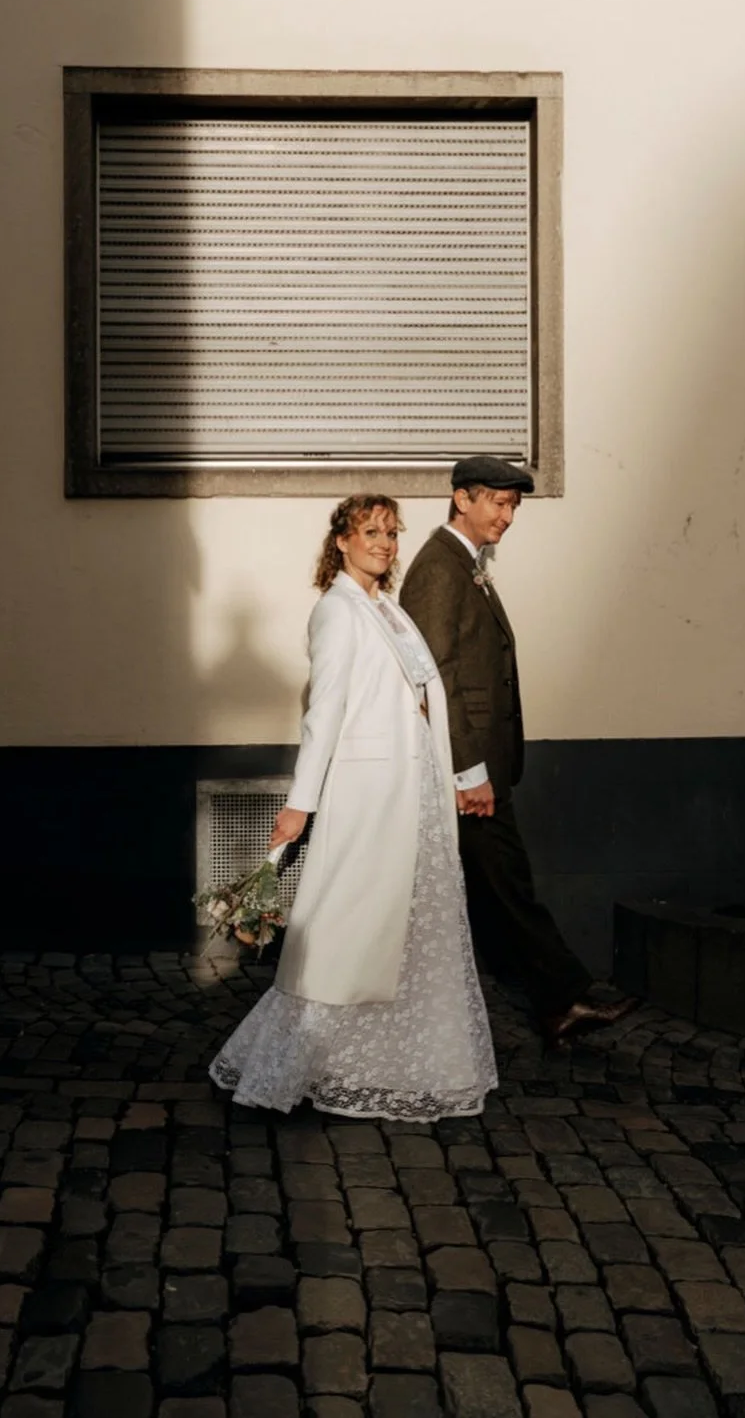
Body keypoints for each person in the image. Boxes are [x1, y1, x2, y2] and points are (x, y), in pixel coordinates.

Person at [209, 494, 497, 1121]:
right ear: (341, 539)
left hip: (411, 790)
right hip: (368, 794)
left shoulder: (387, 609)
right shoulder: (337, 611)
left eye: (393, 533)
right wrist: (300, 805)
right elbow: (326, 713)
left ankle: (393, 1059)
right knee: (346, 929)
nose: (386, 543)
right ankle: (291, 1061)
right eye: (372, 531)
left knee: (405, 927)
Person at [399, 455, 638, 1050]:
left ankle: (554, 1003)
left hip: (480, 767)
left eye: (513, 507)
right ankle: (565, 997)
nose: (507, 517)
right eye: (498, 504)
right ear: (462, 499)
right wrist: (468, 770)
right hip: (468, 772)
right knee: (508, 886)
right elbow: (434, 677)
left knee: (495, 889)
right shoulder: (439, 568)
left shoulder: (465, 565)